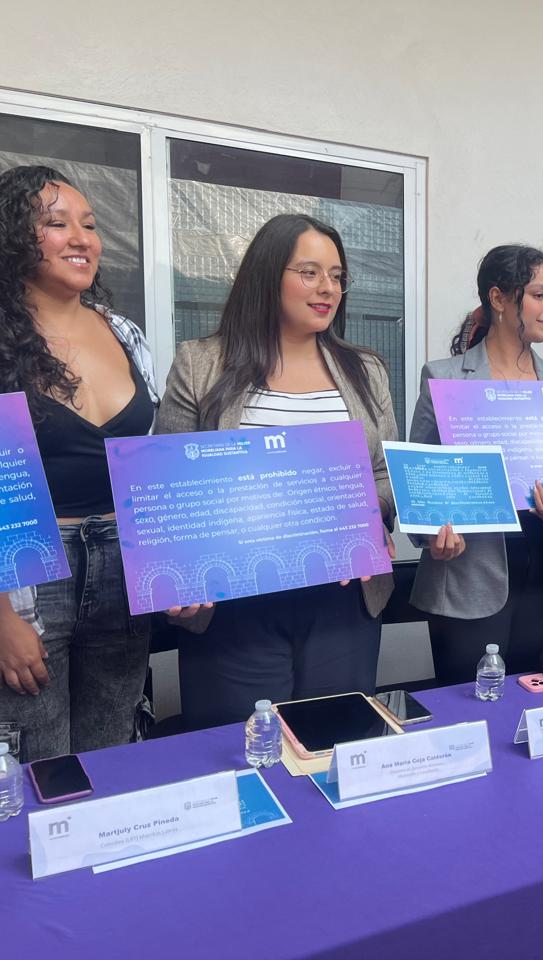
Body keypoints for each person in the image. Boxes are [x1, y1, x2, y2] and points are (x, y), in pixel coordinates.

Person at [156, 213, 397, 729]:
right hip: (235, 606)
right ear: (267, 276)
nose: (327, 288)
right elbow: (168, 486)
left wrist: (360, 516)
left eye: (337, 276)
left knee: (334, 745)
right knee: (242, 754)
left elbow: (385, 477)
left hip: (342, 603)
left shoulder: (365, 370)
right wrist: (178, 579)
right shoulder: (201, 363)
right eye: (309, 272)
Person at [0, 165, 157, 761]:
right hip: (25, 580)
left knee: (116, 756)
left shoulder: (124, 332)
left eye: (90, 223)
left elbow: (147, 462)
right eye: (57, 224)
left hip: (124, 568)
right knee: (34, 766)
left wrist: (175, 562)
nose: (82, 239)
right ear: (10, 236)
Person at [406, 245, 543, 685]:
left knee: (538, 703)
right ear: (499, 298)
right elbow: (420, 485)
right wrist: (432, 534)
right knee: (469, 707)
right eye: (539, 296)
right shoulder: (445, 378)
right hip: (466, 576)